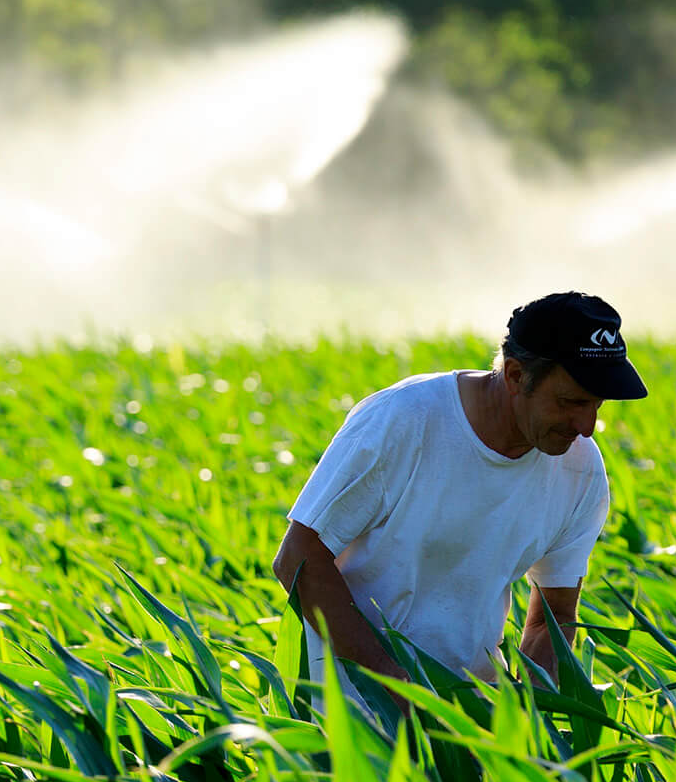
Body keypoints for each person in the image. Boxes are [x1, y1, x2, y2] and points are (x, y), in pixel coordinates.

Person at [272, 291, 648, 700]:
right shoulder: (405, 420)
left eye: (597, 405)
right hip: (351, 716)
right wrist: (393, 685)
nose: (587, 425)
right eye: (570, 402)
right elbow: (299, 556)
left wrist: (527, 716)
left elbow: (552, 620)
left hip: (470, 718)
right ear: (516, 376)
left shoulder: (579, 469)